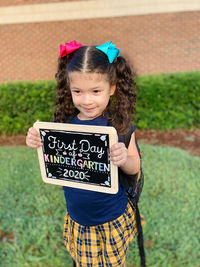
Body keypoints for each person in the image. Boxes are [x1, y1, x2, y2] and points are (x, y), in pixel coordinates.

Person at [26, 41, 140, 267]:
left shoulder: (119, 126)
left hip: (111, 217)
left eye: (96, 91)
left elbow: (135, 165)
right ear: (69, 88)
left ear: (113, 87)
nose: (86, 100)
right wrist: (37, 139)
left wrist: (123, 158)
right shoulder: (64, 123)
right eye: (77, 91)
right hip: (78, 219)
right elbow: (55, 158)